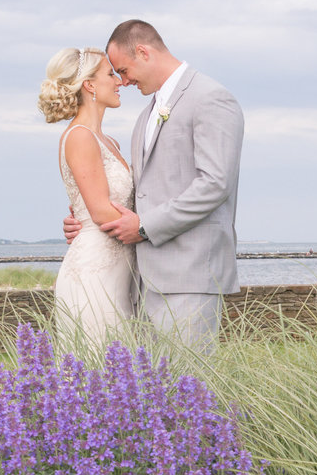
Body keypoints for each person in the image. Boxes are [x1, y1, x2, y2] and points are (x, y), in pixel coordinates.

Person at [65, 20, 243, 352]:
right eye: (115, 74)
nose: (123, 81)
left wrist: (145, 226)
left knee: (190, 390)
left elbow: (215, 183)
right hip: (142, 281)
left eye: (124, 69)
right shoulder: (146, 115)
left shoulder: (211, 98)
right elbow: (142, 191)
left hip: (189, 275)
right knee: (153, 396)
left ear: (144, 52)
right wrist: (88, 221)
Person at [39, 47, 135, 348]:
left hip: (121, 266)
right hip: (96, 268)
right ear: (89, 85)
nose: (119, 81)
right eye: (111, 74)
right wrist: (152, 229)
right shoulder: (80, 136)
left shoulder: (109, 141)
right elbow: (101, 212)